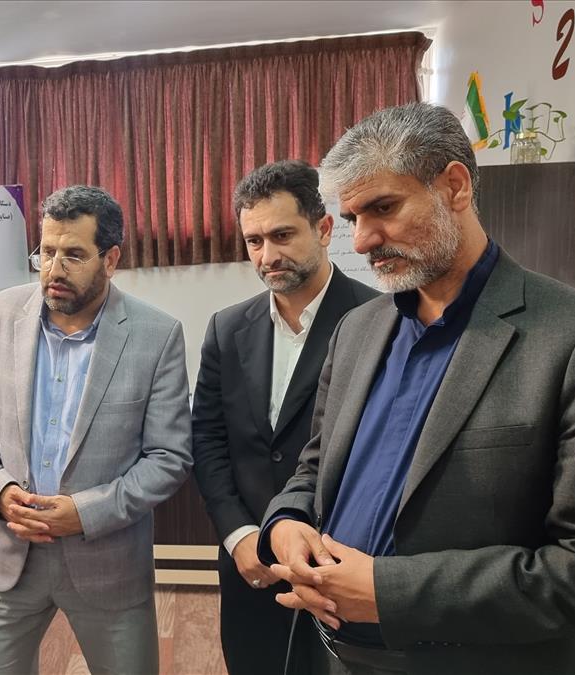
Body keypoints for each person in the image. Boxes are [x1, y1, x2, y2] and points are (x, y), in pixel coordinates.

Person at [258, 102, 575, 675]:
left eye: (384, 208)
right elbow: (314, 469)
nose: (363, 240)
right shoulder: (356, 332)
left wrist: (390, 591)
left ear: (455, 186)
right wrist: (287, 522)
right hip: (335, 655)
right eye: (352, 218)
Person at [0, 184, 193, 673]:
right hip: (11, 554)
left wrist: (84, 513)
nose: (54, 270)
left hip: (107, 561)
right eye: (46, 252)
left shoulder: (156, 335)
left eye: (74, 255)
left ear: (111, 259)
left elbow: (169, 458)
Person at [192, 160, 378, 675]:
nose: (267, 256)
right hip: (250, 563)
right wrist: (238, 535)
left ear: (324, 229)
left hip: (340, 564)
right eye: (254, 241)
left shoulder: (379, 321)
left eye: (282, 235)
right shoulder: (226, 329)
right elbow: (206, 438)